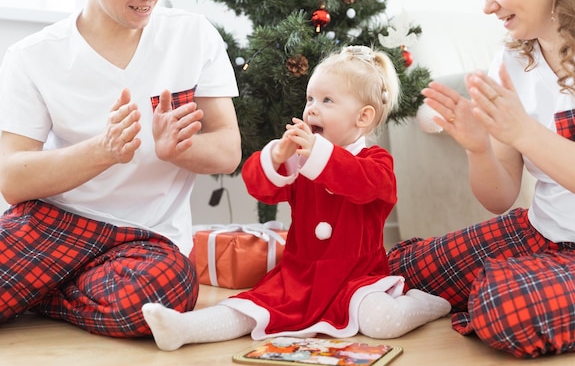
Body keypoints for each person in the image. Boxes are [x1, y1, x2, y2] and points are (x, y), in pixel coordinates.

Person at [387, 0, 575, 359]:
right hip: (544, 234)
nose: (487, 5)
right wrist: (478, 147)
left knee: (505, 306)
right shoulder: (512, 59)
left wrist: (525, 132)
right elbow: (499, 199)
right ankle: (538, 280)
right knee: (396, 270)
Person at [141, 45, 452, 351]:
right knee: (249, 308)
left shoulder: (376, 162)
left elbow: (362, 183)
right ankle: (183, 328)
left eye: (327, 100)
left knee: (383, 322)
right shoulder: (300, 160)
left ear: (363, 117)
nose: (312, 108)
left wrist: (319, 156)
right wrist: (275, 157)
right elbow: (260, 186)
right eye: (310, 98)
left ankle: (424, 304)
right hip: (298, 277)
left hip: (356, 280)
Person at [0, 0, 241, 338]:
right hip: (54, 224)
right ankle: (68, 290)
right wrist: (103, 152)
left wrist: (180, 149)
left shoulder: (193, 35)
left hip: (149, 241)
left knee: (162, 295)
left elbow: (229, 150)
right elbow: (12, 179)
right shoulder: (32, 56)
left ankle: (41, 293)